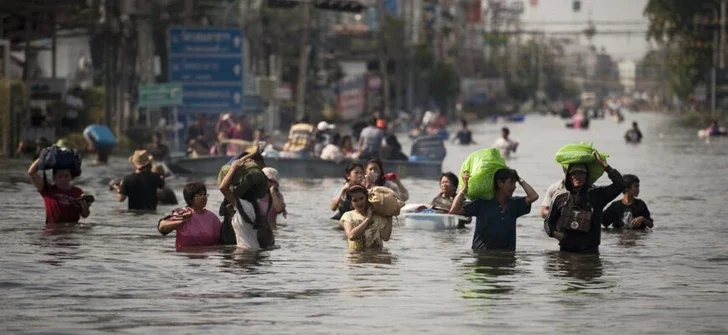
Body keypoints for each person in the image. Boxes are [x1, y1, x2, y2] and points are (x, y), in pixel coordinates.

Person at [544, 152, 625, 253]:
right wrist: (559, 236)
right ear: (569, 176)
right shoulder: (560, 197)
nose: (577, 176)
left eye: (581, 173)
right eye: (574, 173)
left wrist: (604, 165)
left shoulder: (598, 195)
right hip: (566, 254)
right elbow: (548, 222)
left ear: (587, 176)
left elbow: (621, 184)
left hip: (590, 254)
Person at [450, 169, 539, 251]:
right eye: (511, 183)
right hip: (483, 256)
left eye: (515, 183)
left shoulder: (514, 204)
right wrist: (464, 189)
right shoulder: (482, 203)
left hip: (507, 257)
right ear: (500, 183)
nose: (514, 187)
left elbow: (533, 196)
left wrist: (520, 179)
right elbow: (455, 210)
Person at [157, 182, 222, 250]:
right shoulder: (183, 213)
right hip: (186, 256)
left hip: (207, 257)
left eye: (204, 194)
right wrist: (182, 221)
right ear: (190, 199)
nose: (203, 197)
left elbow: (222, 239)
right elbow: (161, 227)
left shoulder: (212, 217)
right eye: (200, 195)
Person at [28, 158, 91, 224]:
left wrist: (86, 207)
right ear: (54, 178)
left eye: (66, 176)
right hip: (52, 231)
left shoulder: (78, 192)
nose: (63, 179)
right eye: (60, 176)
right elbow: (31, 172)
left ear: (71, 178)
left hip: (72, 232)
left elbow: (85, 215)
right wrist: (43, 156)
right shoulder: (48, 189)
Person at [340, 185, 393, 252]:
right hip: (356, 257)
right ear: (351, 203)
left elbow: (385, 237)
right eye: (355, 200)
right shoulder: (348, 215)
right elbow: (351, 236)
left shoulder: (377, 216)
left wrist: (390, 216)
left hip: (376, 257)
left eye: (361, 198)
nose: (359, 202)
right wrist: (368, 218)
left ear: (367, 198)